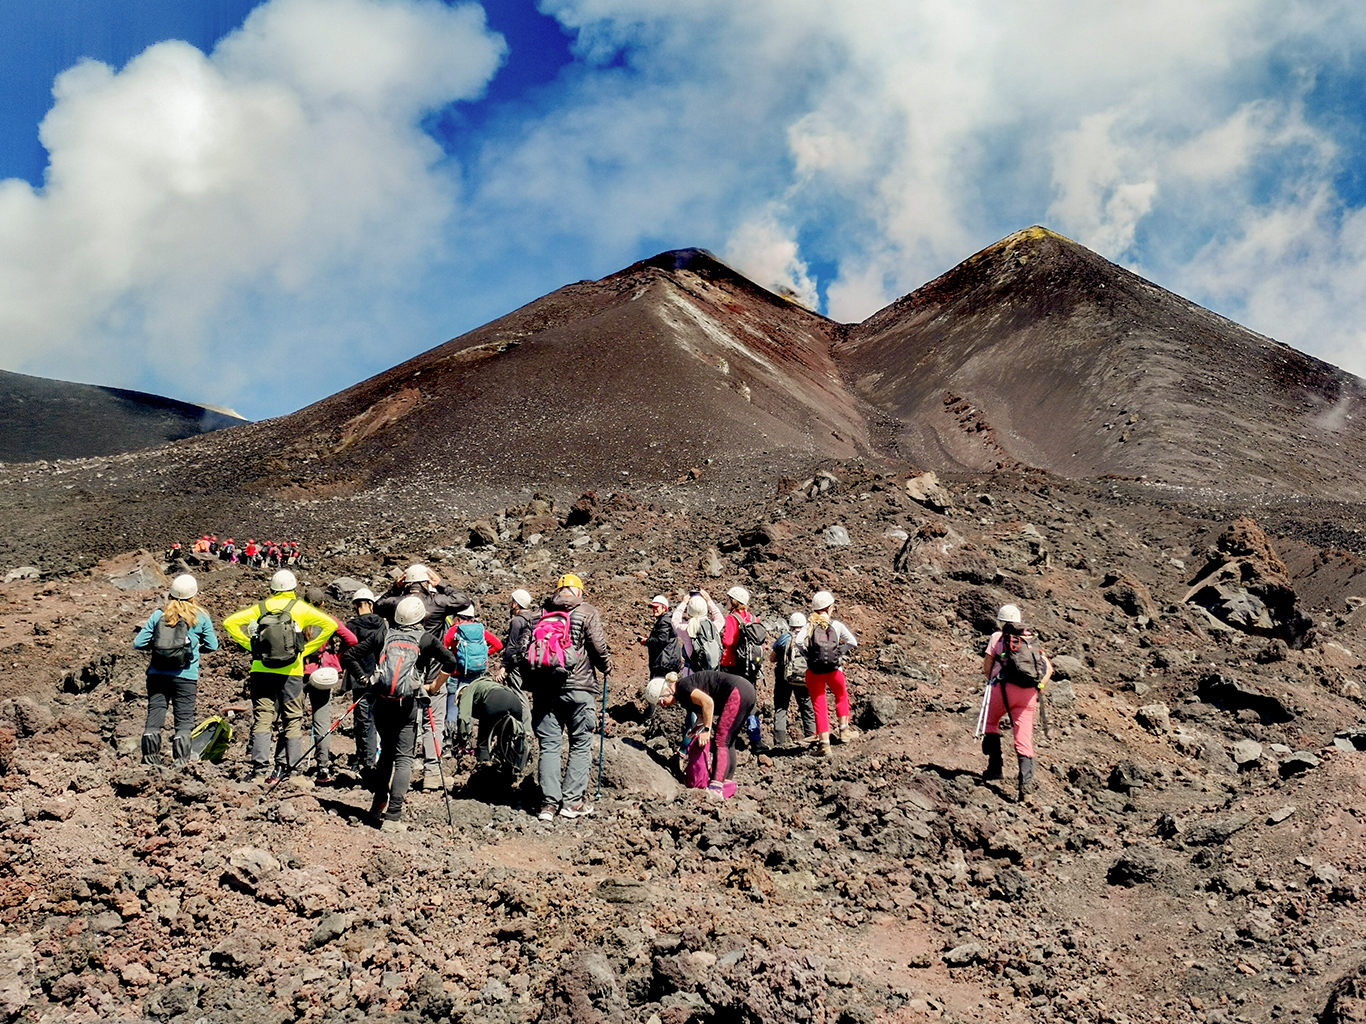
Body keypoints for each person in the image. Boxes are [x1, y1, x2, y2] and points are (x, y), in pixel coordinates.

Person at [343, 595, 460, 829]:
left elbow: (349, 656)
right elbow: (451, 662)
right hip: (407, 704)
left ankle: (377, 806)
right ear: (419, 617)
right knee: (404, 757)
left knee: (386, 754)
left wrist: (366, 681)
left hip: (382, 702)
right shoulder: (425, 639)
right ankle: (394, 816)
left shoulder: (383, 635)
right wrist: (434, 686)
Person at [223, 569, 339, 782]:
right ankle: (292, 769)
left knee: (263, 718)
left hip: (261, 669)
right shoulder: (301, 608)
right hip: (291, 672)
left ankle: (259, 769)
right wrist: (304, 649)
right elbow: (330, 625)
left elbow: (229, 622)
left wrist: (252, 646)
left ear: (272, 589)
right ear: (294, 589)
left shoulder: (260, 608)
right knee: (293, 720)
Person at [520, 573, 612, 821]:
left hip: (545, 689)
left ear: (558, 590)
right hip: (579, 688)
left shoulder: (540, 613)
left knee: (550, 745)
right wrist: (607, 666)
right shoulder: (586, 611)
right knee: (580, 744)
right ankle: (572, 803)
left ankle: (548, 805)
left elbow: (525, 649)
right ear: (579, 592)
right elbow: (598, 646)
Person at [374, 565, 472, 790]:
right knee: (433, 723)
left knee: (397, 727)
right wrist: (441, 584)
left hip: (401, 676)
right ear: (426, 583)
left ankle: (390, 774)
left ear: (406, 582)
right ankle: (432, 773)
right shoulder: (437, 602)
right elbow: (463, 600)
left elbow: (377, 605)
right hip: (433, 673)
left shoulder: (396, 604)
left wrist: (393, 588)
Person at [133, 574, 219, 766]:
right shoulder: (201, 617)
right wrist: (193, 650)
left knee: (154, 716)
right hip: (186, 676)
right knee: (184, 721)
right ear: (194, 594)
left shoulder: (158, 615)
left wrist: (159, 648)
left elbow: (138, 643)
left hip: (157, 674)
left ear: (170, 594)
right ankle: (181, 763)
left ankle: (149, 761)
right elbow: (213, 646)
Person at [981, 604, 1053, 799]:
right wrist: (1039, 687)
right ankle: (1025, 788)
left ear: (1001, 621)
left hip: (1003, 689)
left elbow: (987, 667)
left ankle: (995, 769)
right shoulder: (1030, 639)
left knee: (990, 721)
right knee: (1023, 739)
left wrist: (991, 679)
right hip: (1029, 693)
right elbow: (1049, 669)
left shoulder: (998, 637)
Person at [645, 669, 756, 791]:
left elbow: (708, 703)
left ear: (666, 691)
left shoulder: (683, 688)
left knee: (721, 740)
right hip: (745, 690)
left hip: (737, 691)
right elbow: (701, 713)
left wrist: (707, 730)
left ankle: (716, 788)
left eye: (661, 701)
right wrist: (698, 727)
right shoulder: (682, 696)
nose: (663, 705)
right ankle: (727, 784)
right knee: (729, 741)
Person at [300, 587, 358, 785]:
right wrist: (335, 658)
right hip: (323, 674)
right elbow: (351, 639)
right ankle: (323, 766)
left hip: (300, 672)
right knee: (322, 721)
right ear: (323, 603)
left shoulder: (298, 618)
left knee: (292, 719)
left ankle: (286, 765)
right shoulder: (330, 620)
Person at [795, 590, 860, 757]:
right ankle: (844, 731)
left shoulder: (809, 625)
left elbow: (798, 641)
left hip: (814, 671)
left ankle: (824, 745)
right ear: (830, 608)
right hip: (834, 670)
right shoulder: (836, 625)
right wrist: (839, 652)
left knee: (819, 705)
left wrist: (808, 655)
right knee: (841, 695)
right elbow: (853, 642)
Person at [452, 670, 532, 774]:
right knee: (507, 741)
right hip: (515, 703)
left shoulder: (468, 690)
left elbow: (463, 717)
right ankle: (510, 773)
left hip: (494, 701)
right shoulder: (489, 684)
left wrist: (462, 739)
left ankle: (483, 775)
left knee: (483, 744)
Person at [442, 604, 504, 737]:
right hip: (475, 675)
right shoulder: (480, 630)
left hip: (456, 674)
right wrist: (484, 654)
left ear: (458, 618)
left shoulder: (455, 630)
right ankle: (466, 740)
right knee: (468, 706)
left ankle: (448, 742)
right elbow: (498, 645)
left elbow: (443, 647)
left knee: (452, 705)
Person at [343, 587, 386, 777]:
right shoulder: (383, 625)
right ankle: (380, 757)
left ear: (355, 605)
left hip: (359, 678)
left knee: (363, 721)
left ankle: (366, 761)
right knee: (381, 719)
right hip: (380, 677)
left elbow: (346, 653)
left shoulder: (350, 626)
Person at [770, 611, 817, 748]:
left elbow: (772, 659)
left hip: (784, 678)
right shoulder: (810, 638)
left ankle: (779, 744)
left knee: (781, 708)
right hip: (805, 678)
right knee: (807, 709)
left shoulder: (784, 638)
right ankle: (811, 740)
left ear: (790, 625)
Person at [637, 595, 682, 679]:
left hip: (663, 663)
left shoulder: (663, 621)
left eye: (657, 607)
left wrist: (646, 641)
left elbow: (661, 640)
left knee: (658, 689)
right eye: (653, 608)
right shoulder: (669, 619)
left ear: (664, 608)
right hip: (669, 661)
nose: (654, 610)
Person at [503, 589, 534, 692]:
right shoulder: (533, 617)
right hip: (531, 662)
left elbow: (511, 645)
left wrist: (504, 666)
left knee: (518, 694)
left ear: (516, 604)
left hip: (517, 664)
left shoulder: (517, 620)